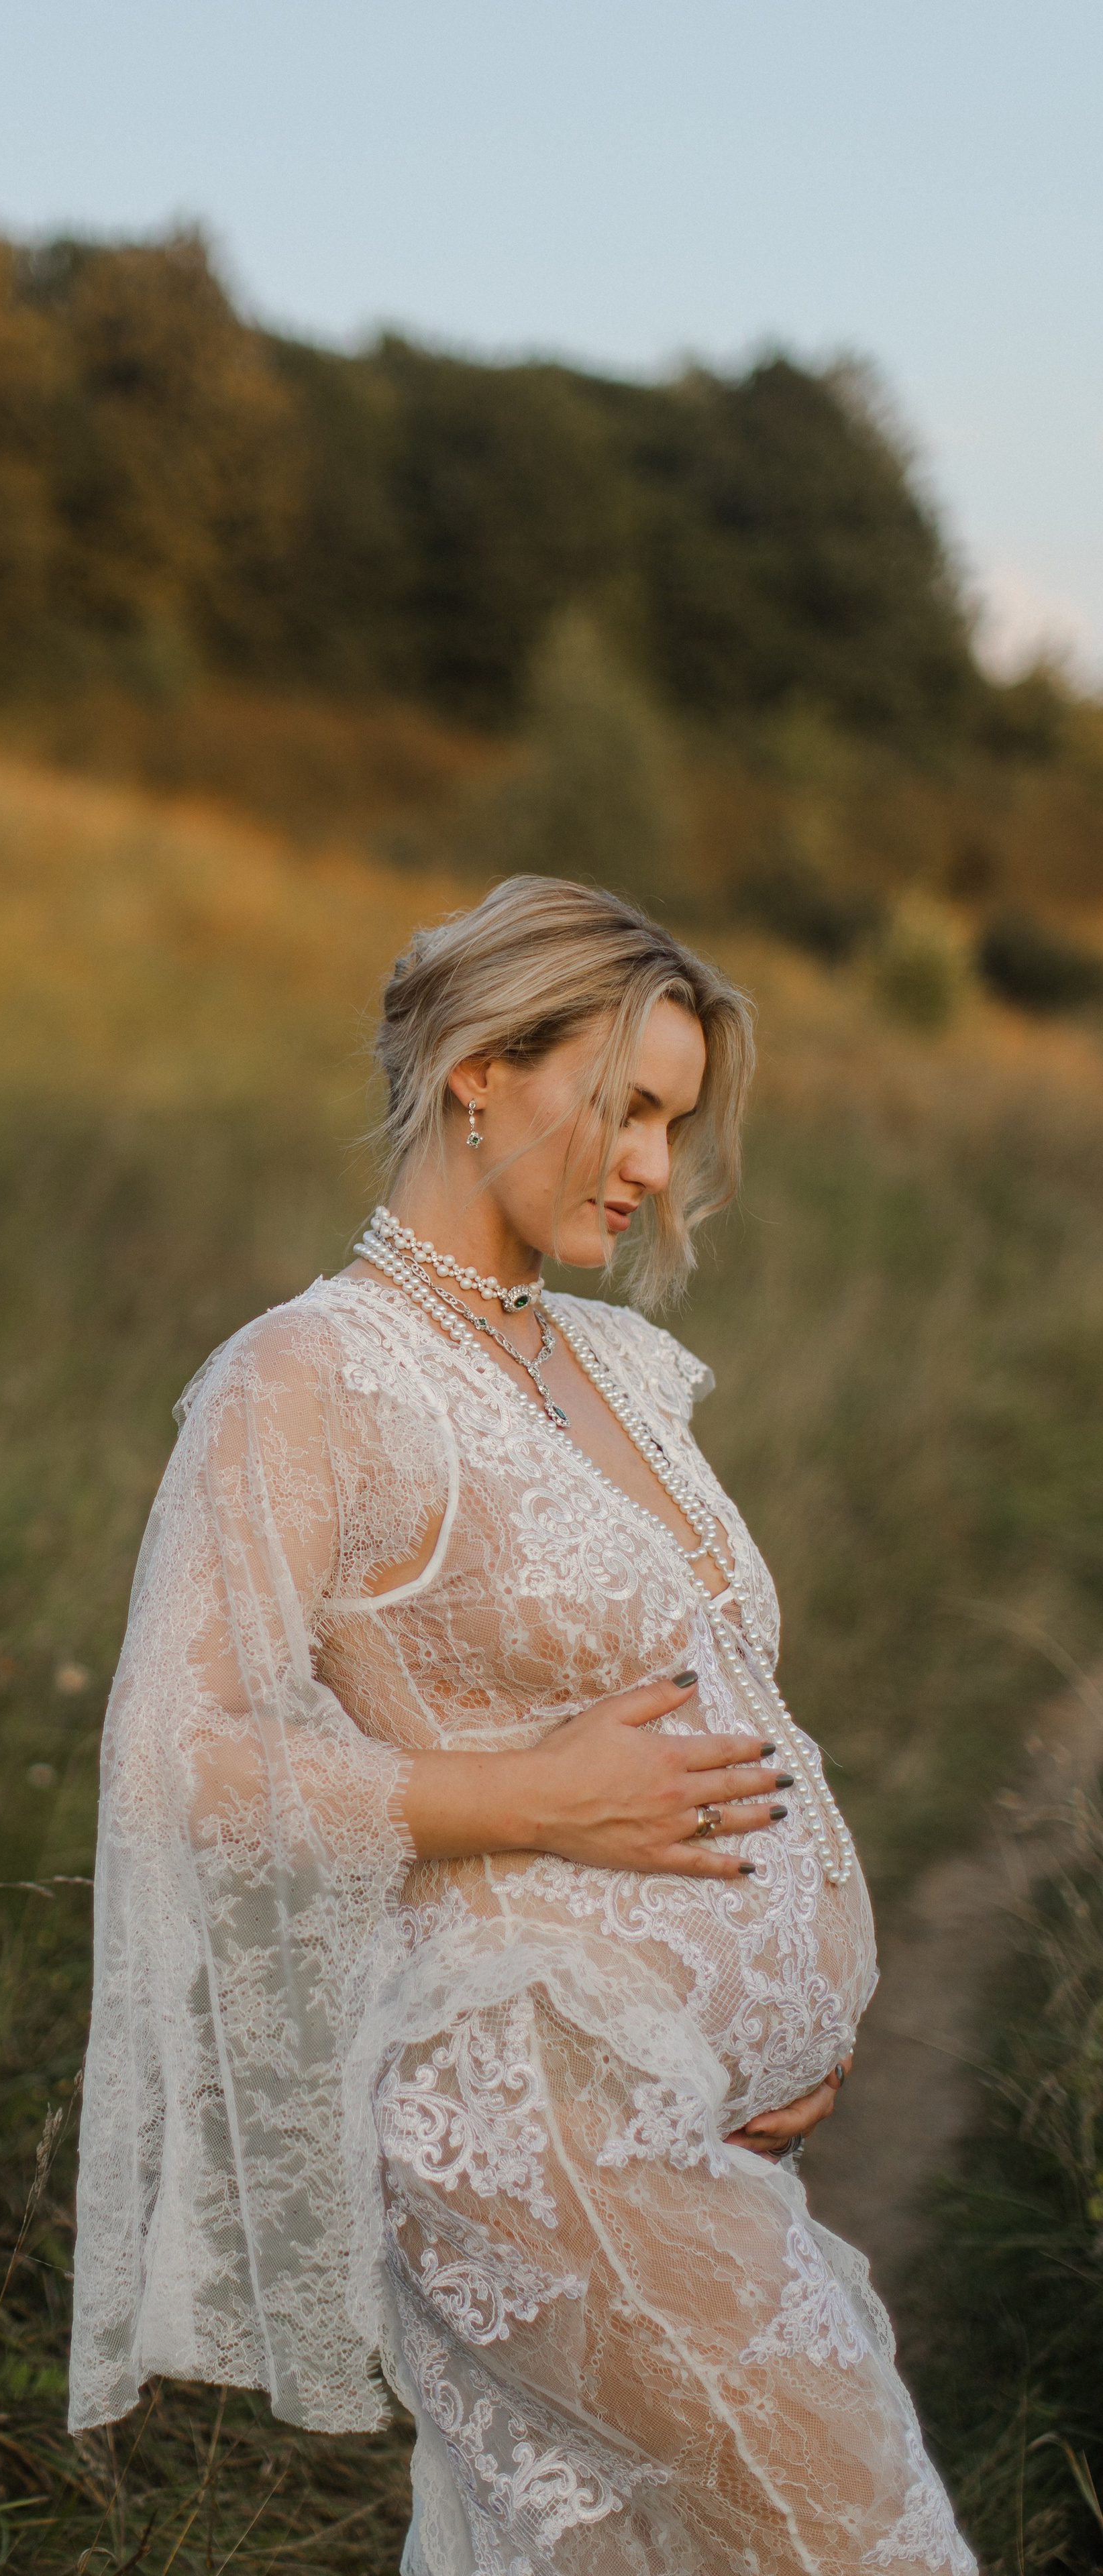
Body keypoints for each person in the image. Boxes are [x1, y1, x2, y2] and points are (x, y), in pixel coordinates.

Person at [68, 877, 974, 2575]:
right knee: (864, 2546)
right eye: (624, 1107)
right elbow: (171, 1762)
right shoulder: (311, 1377)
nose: (651, 1166)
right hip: (531, 2114)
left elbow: (729, 1704)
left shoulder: (612, 1366)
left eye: (674, 1124)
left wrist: (766, 2013)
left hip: (667, 2097)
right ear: (481, 1067)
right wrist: (527, 1795)